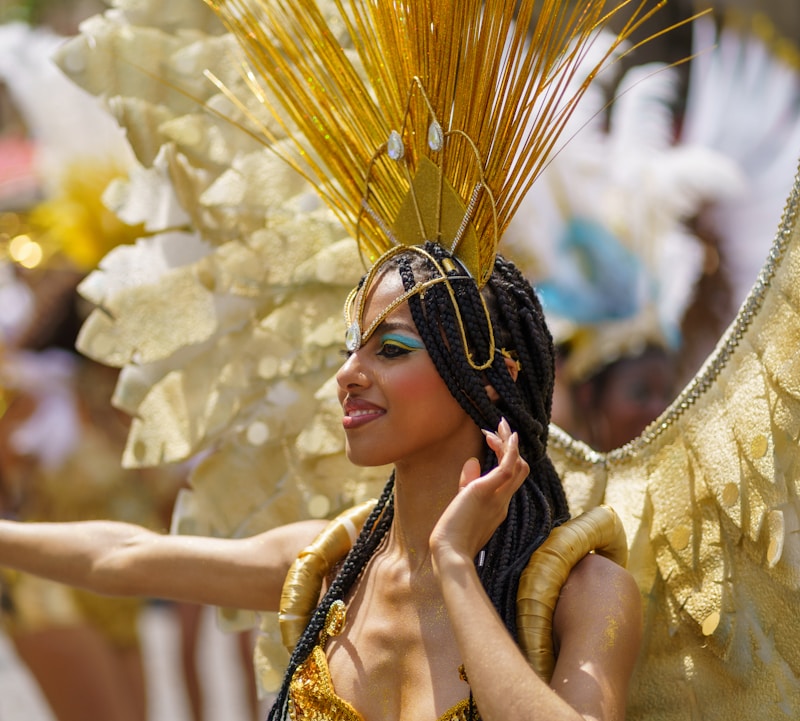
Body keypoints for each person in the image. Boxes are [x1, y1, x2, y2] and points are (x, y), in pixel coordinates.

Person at [0, 239, 643, 720]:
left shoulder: (583, 591)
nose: (349, 374)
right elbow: (124, 555)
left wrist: (453, 565)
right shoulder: (336, 561)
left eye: (389, 349)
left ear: (483, 377)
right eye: (351, 348)